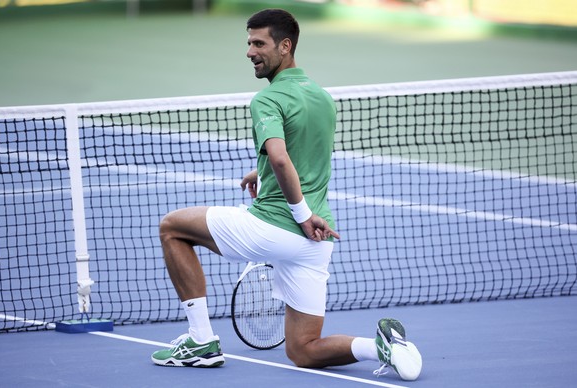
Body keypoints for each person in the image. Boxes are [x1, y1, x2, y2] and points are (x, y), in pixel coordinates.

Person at [150, 8, 422, 381]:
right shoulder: (322, 97)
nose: (249, 51)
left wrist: (299, 212)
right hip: (317, 241)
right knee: (303, 349)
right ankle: (379, 346)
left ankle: (200, 340)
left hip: (278, 226)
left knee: (172, 228)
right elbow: (299, 154)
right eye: (248, 43)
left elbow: (280, 157)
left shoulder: (267, 99)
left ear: (285, 45)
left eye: (258, 43)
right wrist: (262, 173)